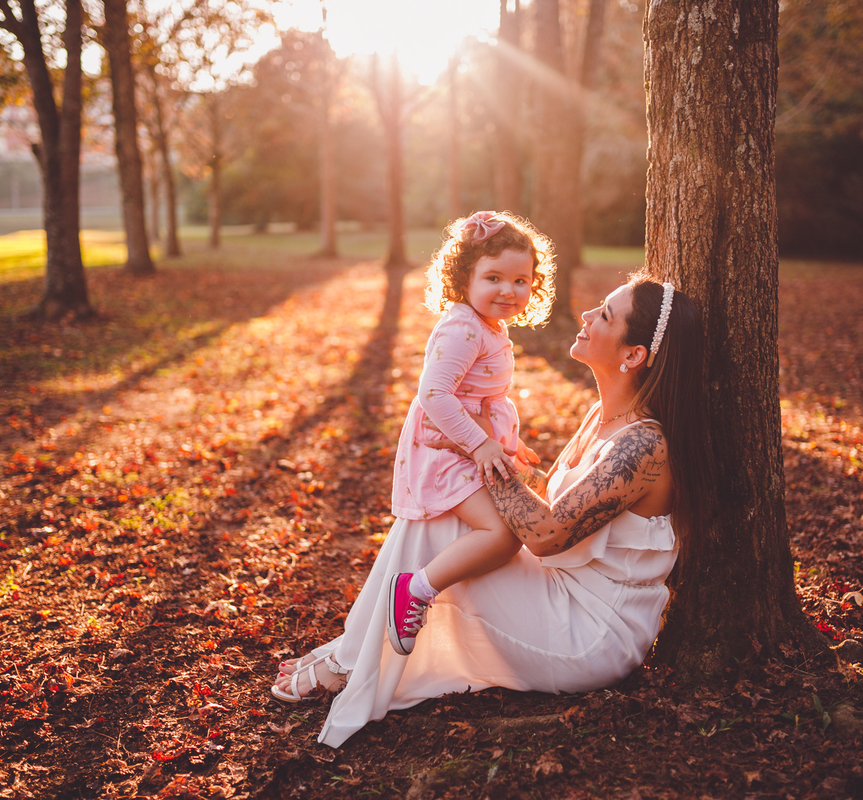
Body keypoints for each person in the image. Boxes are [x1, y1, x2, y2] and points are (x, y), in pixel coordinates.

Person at [275, 274, 712, 749]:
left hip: (593, 630)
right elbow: (553, 509)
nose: (586, 316)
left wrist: (479, 449)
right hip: (562, 587)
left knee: (449, 514)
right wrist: (482, 445)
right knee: (452, 514)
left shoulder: (645, 444)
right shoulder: (604, 417)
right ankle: (355, 653)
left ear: (633, 356)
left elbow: (545, 534)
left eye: (604, 315)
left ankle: (354, 659)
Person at [272, 211, 555, 701]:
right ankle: (415, 589)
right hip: (443, 450)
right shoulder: (464, 329)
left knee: (506, 527)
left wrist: (507, 441)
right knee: (502, 534)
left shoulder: (488, 325)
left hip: (462, 443)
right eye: (493, 278)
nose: (509, 290)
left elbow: (483, 397)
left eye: (520, 280)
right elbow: (437, 396)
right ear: (462, 277)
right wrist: (483, 444)